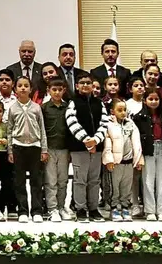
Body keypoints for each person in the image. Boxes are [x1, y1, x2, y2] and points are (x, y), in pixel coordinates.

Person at [6, 76, 47, 223]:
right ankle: (22, 211)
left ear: (31, 89)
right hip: (18, 147)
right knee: (19, 181)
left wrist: (44, 149)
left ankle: (37, 211)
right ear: (15, 89)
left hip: (35, 147)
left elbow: (42, 129)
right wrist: (10, 150)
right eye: (20, 86)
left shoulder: (36, 107)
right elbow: (9, 130)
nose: (23, 88)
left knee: (36, 181)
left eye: (26, 86)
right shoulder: (12, 108)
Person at [65, 72, 105, 222]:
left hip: (97, 148)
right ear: (77, 86)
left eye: (88, 83)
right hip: (79, 148)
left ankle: (93, 208)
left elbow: (105, 123)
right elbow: (71, 122)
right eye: (82, 83)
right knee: (79, 180)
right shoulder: (73, 103)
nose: (86, 85)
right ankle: (80, 209)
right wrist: (86, 140)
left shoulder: (99, 103)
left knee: (94, 180)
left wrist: (96, 140)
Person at [102, 99, 142, 222]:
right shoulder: (108, 125)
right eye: (119, 110)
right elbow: (107, 144)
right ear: (112, 111)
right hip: (115, 163)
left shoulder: (131, 124)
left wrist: (138, 158)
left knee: (126, 186)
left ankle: (125, 207)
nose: (123, 112)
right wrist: (109, 159)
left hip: (128, 161)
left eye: (125, 110)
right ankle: (114, 208)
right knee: (114, 187)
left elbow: (137, 141)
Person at [140, 88, 162, 221]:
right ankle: (149, 211)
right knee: (148, 181)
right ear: (145, 100)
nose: (154, 101)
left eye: (156, 99)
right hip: (148, 150)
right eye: (150, 99)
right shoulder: (139, 117)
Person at [41, 77, 71, 223]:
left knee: (63, 180)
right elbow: (41, 130)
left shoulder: (68, 107)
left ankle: (61, 206)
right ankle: (52, 208)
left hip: (64, 148)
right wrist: (43, 149)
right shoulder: (44, 108)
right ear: (48, 90)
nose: (57, 92)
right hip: (50, 149)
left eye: (60, 90)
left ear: (64, 90)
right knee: (50, 181)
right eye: (54, 89)